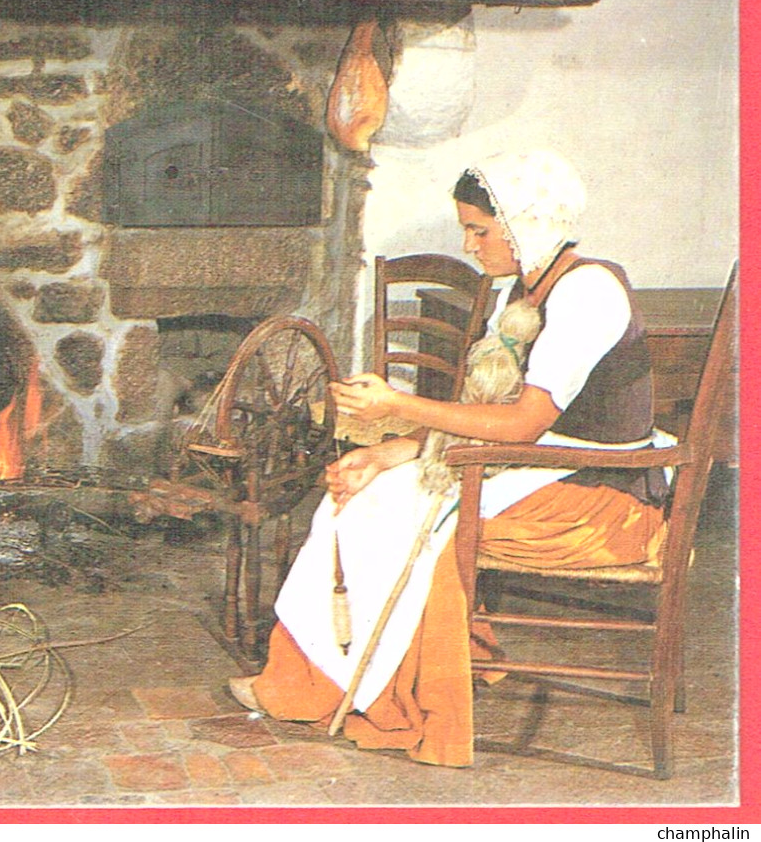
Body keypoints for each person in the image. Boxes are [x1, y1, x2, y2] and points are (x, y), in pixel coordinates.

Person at [227, 148, 667, 766]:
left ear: (527, 224)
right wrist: (387, 454)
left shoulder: (588, 293)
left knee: (417, 525)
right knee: (354, 496)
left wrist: (400, 409)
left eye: (479, 230)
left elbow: (522, 423)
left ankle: (391, 699)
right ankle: (306, 683)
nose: (470, 245)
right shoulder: (523, 291)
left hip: (601, 495)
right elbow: (497, 422)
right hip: (540, 465)